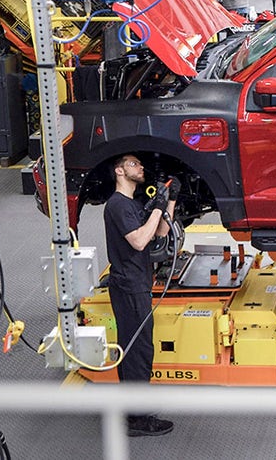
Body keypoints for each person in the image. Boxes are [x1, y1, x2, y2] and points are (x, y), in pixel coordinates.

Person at [104, 154, 177, 437]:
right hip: (129, 287)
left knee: (138, 347)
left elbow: (158, 233)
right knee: (138, 351)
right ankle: (136, 419)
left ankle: (132, 407)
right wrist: (158, 206)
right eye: (134, 164)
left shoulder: (132, 205)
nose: (141, 167)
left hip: (137, 284)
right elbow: (138, 240)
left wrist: (169, 200)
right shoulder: (118, 204)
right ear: (119, 170)